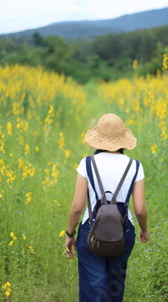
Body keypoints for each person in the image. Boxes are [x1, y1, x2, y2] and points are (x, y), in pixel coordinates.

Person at [65, 113, 150, 302]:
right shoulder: (135, 166)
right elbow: (140, 209)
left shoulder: (87, 164)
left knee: (94, 290)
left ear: (98, 140)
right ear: (122, 140)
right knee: (114, 288)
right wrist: (145, 230)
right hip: (123, 232)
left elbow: (77, 207)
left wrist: (70, 234)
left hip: (90, 232)